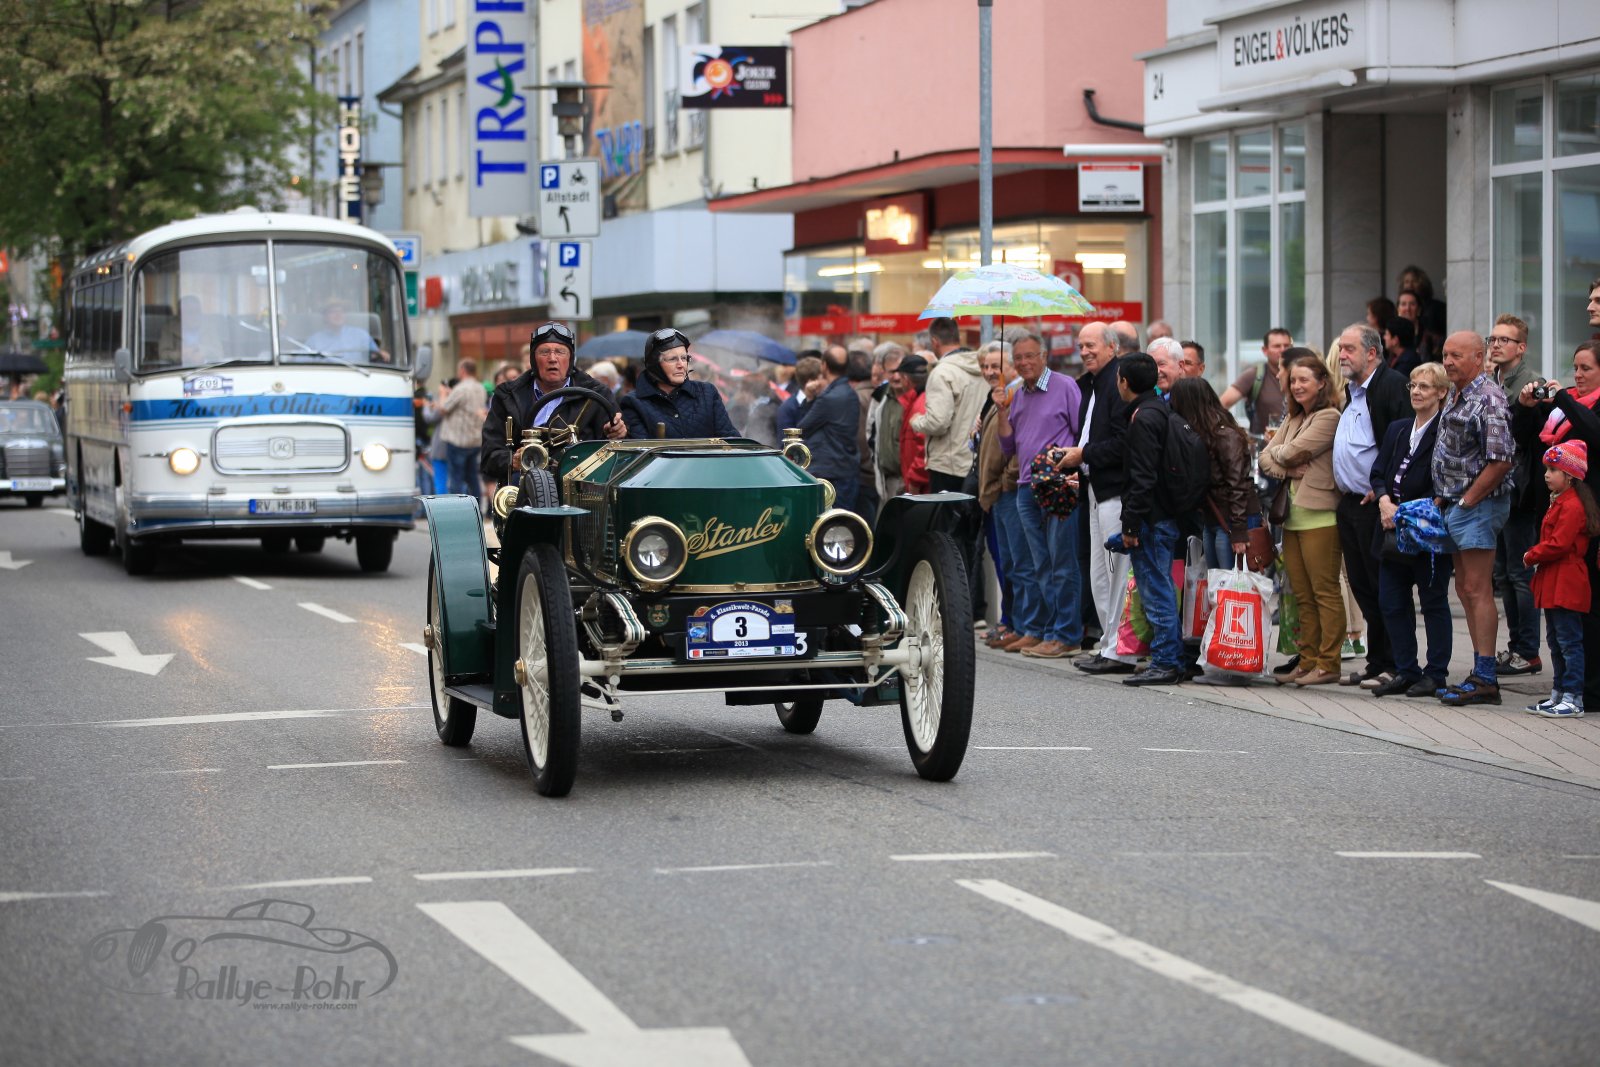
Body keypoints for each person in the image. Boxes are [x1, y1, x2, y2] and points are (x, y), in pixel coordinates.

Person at [1515, 337, 1600, 714]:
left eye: (1586, 368)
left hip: (1586, 516)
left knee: (1582, 620)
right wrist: (1526, 408)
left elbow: (1594, 434)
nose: (1577, 374)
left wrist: (1563, 398)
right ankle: (1564, 690)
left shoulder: (1576, 406)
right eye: (1575, 367)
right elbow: (1529, 443)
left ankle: (1583, 693)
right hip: (1551, 508)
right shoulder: (1562, 409)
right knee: (1558, 631)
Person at [1432, 330, 1516, 706]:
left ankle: (1486, 678)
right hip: (1455, 504)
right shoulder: (1457, 392)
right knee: (1465, 588)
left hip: (1478, 505)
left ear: (1478, 358)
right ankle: (1480, 670)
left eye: (1456, 356)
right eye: (1445, 355)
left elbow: (1501, 461)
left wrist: (1467, 501)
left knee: (1478, 589)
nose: (1448, 362)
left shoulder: (1489, 397)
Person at [1331, 323, 1410, 689]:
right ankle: (1377, 660)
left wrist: (1382, 489)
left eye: (1349, 348)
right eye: (1341, 348)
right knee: (1363, 586)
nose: (1342, 355)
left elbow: (1403, 443)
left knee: (1384, 586)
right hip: (1350, 503)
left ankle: (1395, 663)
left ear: (1372, 353)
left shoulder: (1391, 386)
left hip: (1375, 503)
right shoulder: (1354, 391)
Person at [1259, 354, 1345, 685]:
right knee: (1301, 594)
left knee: (1324, 592)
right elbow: (1265, 458)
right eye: (1293, 380)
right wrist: (1287, 466)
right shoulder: (1294, 418)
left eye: (1304, 380)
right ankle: (1307, 660)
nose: (1296, 386)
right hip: (1292, 518)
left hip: (1321, 516)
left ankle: (1329, 663)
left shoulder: (1329, 417)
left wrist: (1282, 455)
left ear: (1322, 383)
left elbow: (1288, 451)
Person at [1369, 362, 1454, 698]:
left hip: (1427, 532)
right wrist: (1383, 501)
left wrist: (1408, 511)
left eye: (1425, 387)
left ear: (1441, 393)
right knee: (1391, 601)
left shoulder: (1447, 429)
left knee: (1433, 602)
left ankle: (1435, 674)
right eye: (1413, 386)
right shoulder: (1399, 429)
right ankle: (1406, 670)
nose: (1416, 392)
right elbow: (1378, 472)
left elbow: (1447, 481)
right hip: (1392, 530)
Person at [997, 327, 1083, 659]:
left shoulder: (1065, 386)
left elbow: (1080, 434)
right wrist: (1001, 410)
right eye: (1018, 358)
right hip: (1025, 486)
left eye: (1029, 356)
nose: (1023, 362)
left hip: (1057, 483)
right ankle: (1048, 631)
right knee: (1040, 564)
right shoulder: (1017, 394)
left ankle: (1067, 634)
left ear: (1044, 356)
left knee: (1062, 561)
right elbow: (1008, 446)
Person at [1053, 323, 1133, 674]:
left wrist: (1082, 455)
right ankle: (1109, 644)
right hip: (1095, 487)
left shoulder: (1116, 383)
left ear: (1112, 347)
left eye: (1091, 345)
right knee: (1099, 575)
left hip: (1114, 492)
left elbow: (1121, 443)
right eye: (1081, 346)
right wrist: (1079, 465)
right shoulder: (1094, 384)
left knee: (1115, 575)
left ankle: (1120, 650)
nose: (1084, 352)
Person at [482, 322, 627, 485]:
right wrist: (513, 461)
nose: (552, 359)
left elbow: (622, 455)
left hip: (581, 489)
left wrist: (616, 433)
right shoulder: (507, 395)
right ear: (533, 359)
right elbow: (489, 456)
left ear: (570, 358)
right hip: (522, 488)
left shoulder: (596, 394)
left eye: (560, 352)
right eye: (544, 352)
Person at [1115, 353, 1184, 686]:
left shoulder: (1144, 417)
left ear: (1125, 382)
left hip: (1152, 519)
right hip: (1160, 515)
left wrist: (1131, 524)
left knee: (1156, 591)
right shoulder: (1157, 409)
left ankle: (1167, 661)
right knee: (1159, 588)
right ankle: (1166, 657)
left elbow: (1142, 477)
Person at [1522, 440, 1597, 718]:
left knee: (1569, 642)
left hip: (1566, 579)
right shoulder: (1560, 501)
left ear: (1570, 475)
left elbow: (1559, 544)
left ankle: (1573, 697)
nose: (1546, 475)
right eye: (1547, 469)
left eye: (1553, 470)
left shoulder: (1572, 505)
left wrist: (1531, 555)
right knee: (1556, 641)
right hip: (1555, 578)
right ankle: (1558, 694)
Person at [1489, 314, 1544, 678]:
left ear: (1521, 347)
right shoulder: (1492, 379)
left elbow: (1524, 437)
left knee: (1519, 572)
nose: (1495, 345)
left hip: (1520, 490)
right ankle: (1516, 647)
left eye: (1504, 340)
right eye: (1492, 339)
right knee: (1504, 574)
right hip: (1497, 487)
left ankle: (1528, 651)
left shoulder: (1530, 384)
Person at [1169, 377, 1258, 571]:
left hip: (1232, 520)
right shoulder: (1201, 436)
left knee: (1233, 583)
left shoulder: (1225, 435)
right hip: (1214, 519)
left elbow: (1238, 484)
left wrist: (1239, 530)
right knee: (1217, 583)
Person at [976, 338, 1025, 647]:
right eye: (985, 366)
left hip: (1006, 490)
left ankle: (1016, 623)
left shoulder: (1016, 394)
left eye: (996, 366)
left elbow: (1017, 446)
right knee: (1004, 560)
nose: (990, 371)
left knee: (1015, 563)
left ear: (1011, 367)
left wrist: (1004, 481)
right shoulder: (996, 396)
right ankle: (1009, 621)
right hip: (995, 491)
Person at [621, 328, 738, 440]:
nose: (681, 365)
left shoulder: (707, 393)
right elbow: (642, 450)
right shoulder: (633, 402)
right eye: (672, 359)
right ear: (654, 364)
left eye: (684, 358)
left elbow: (731, 441)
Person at [796, 345, 863, 514]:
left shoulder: (828, 398)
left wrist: (810, 398)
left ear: (824, 366)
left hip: (832, 474)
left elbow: (801, 429)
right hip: (846, 470)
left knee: (832, 521)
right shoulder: (849, 393)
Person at [1220, 328, 1294, 436]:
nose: (1283, 350)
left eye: (1286, 346)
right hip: (1264, 444)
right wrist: (1234, 433)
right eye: (1277, 346)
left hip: (1295, 443)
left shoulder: (1300, 375)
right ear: (1265, 350)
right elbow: (1221, 404)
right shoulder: (1255, 375)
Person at [436, 358, 487, 499]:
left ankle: (457, 508)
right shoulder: (480, 388)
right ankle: (476, 507)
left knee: (456, 479)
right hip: (475, 440)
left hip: (458, 440)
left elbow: (443, 408)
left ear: (463, 370)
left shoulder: (461, 388)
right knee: (472, 478)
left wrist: (443, 394)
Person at [867, 342, 906, 506]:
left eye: (900, 371)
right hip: (887, 479)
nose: (896, 376)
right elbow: (870, 430)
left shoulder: (916, 394)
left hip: (908, 478)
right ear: (884, 372)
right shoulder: (880, 395)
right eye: (891, 372)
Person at [304, 298, 388, 361]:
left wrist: (381, 354)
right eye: (333, 312)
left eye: (341, 311)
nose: (338, 314)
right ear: (325, 316)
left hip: (356, 374)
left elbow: (376, 354)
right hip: (325, 375)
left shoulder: (360, 335)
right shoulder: (315, 340)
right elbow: (302, 361)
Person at [896, 354, 931, 494]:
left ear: (905, 379)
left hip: (922, 489)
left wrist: (914, 482)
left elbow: (924, 449)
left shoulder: (920, 404)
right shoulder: (916, 400)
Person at [157, 295, 226, 365]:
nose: (194, 315)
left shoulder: (209, 327)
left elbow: (219, 352)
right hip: (178, 368)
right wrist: (182, 355)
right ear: (180, 314)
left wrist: (201, 352)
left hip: (207, 367)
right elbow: (163, 354)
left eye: (197, 311)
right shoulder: (169, 328)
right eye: (190, 312)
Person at [776, 356, 822, 435]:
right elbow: (788, 440)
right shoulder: (788, 409)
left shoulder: (823, 401)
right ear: (811, 382)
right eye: (823, 378)